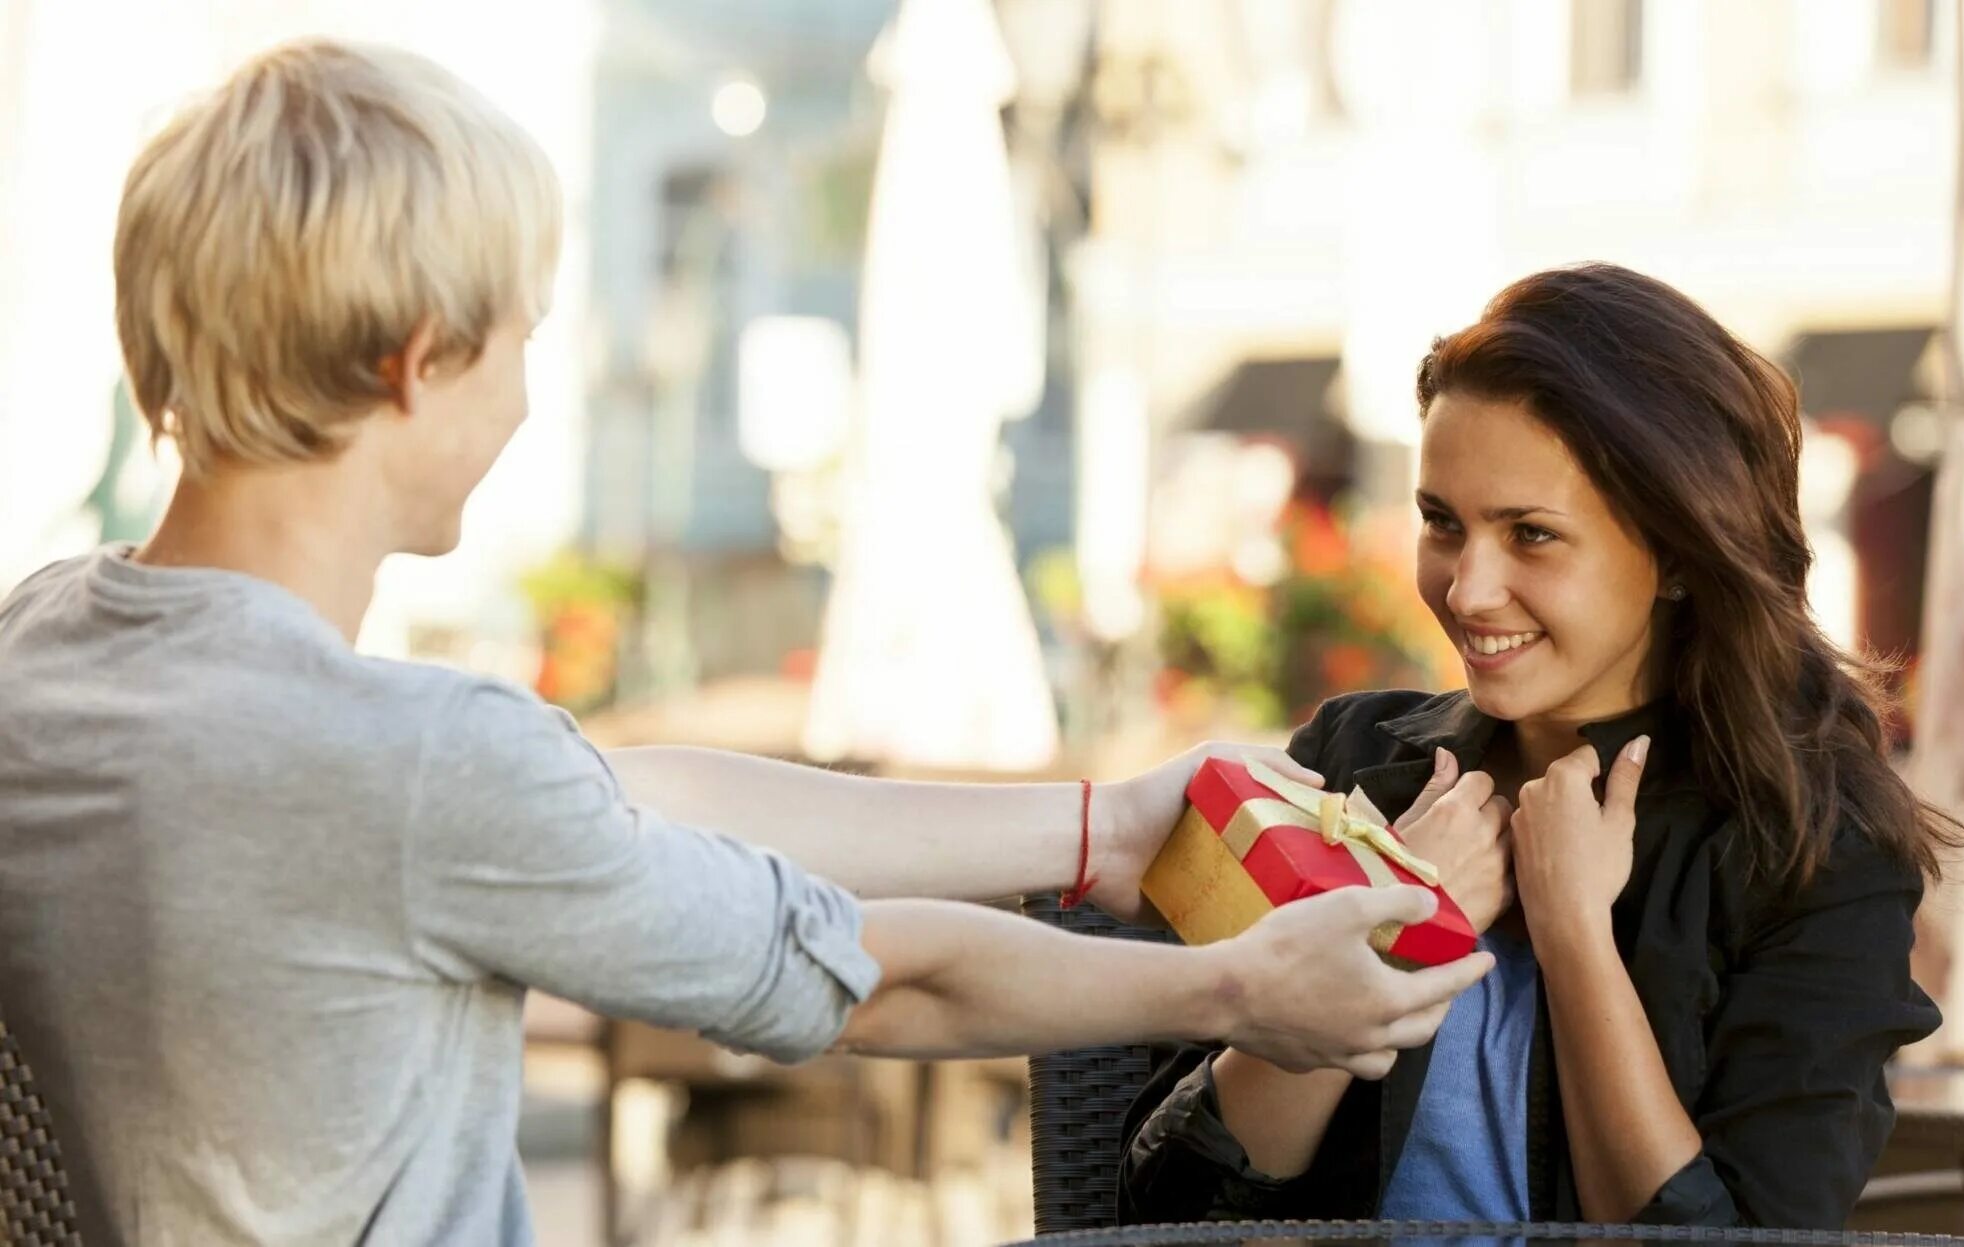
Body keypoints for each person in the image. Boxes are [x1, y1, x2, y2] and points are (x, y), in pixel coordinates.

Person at [0, 39, 1495, 1246]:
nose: (530, 386)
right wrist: (1236, 990)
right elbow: (881, 984)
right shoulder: (416, 769)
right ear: (418, 361)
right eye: (524, 333)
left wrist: (1099, 823)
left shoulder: (44, 653)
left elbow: (602, 796)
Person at [1119, 264, 1964, 1229]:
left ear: (1680, 554)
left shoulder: (1814, 850)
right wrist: (1392, 937)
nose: (1468, 590)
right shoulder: (1349, 763)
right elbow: (1166, 1210)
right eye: (1443, 522)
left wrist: (1576, 939)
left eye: (1531, 534)